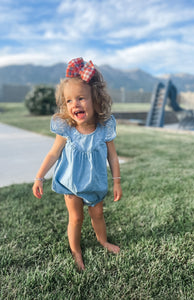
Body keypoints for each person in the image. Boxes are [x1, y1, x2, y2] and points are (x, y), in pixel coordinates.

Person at [32, 57, 122, 271]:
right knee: (76, 218)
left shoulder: (104, 129)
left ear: (97, 100)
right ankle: (76, 250)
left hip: (96, 183)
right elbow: (53, 154)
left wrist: (117, 182)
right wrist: (39, 177)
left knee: (98, 215)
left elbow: (113, 157)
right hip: (71, 184)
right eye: (69, 101)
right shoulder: (67, 129)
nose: (75, 104)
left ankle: (103, 241)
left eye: (81, 98)